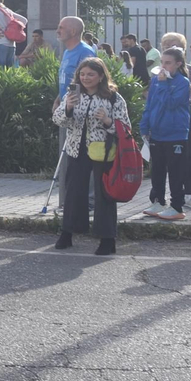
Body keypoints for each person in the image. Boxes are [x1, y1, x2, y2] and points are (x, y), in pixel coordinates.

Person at [51, 55, 128, 255]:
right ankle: (67, 233)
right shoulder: (73, 95)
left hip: (103, 151)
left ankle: (107, 239)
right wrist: (67, 108)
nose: (85, 78)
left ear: (101, 76)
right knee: (74, 192)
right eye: (82, 74)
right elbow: (58, 120)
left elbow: (125, 127)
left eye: (90, 74)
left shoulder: (113, 97)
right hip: (76, 149)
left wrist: (108, 121)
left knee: (104, 195)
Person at [140, 47, 191, 221]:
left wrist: (163, 84)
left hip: (175, 134)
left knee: (176, 171)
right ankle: (157, 201)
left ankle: (176, 206)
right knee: (157, 169)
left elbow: (170, 104)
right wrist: (144, 125)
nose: (163, 66)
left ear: (178, 64)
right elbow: (150, 105)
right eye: (162, 62)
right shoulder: (155, 81)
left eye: (168, 63)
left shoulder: (183, 82)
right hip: (157, 133)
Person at [159, 32, 191, 213]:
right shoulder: (158, 70)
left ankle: (187, 194)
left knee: (186, 156)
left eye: (174, 45)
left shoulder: (190, 71)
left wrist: (172, 86)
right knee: (161, 159)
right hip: (162, 118)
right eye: (166, 45)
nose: (170, 48)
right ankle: (158, 197)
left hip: (185, 117)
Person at [53, 17, 98, 183]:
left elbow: (89, 82)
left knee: (83, 158)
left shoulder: (85, 52)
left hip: (80, 112)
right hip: (68, 107)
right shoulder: (66, 52)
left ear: (73, 31)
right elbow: (69, 80)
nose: (57, 31)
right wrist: (59, 99)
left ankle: (89, 200)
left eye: (61, 27)